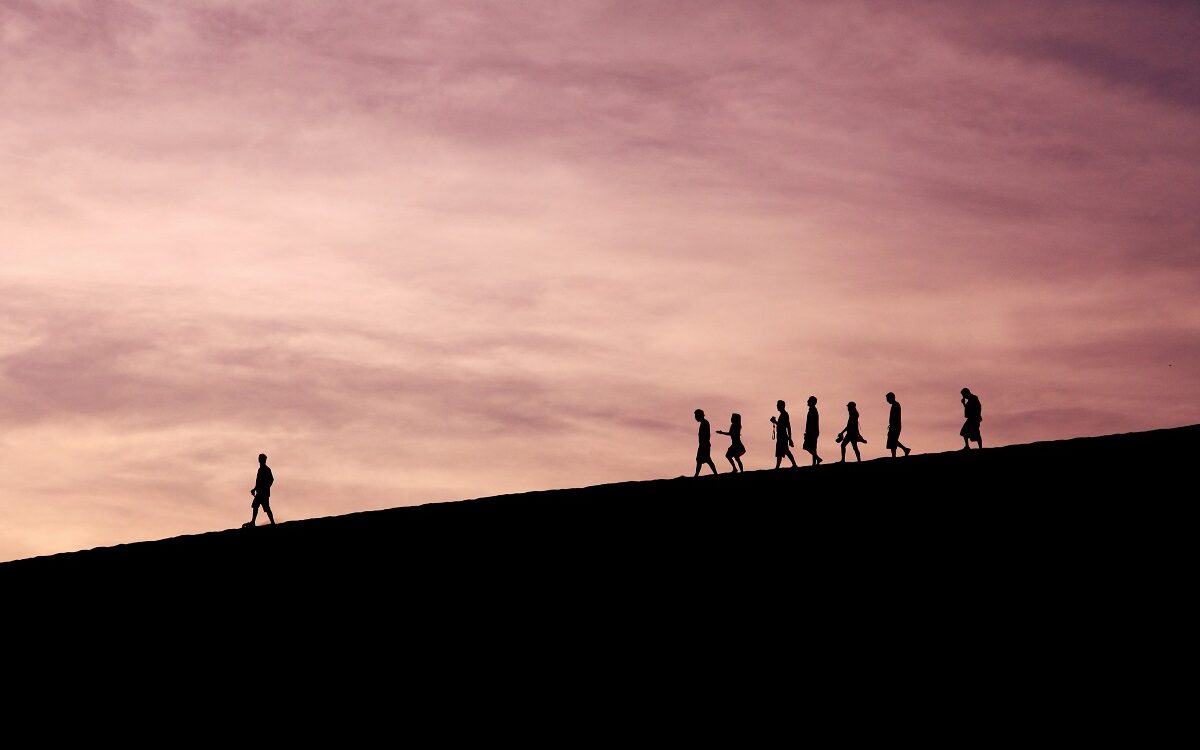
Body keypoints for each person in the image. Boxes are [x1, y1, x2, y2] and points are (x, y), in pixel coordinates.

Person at [245, 453, 276, 527]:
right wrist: (255, 489)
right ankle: (253, 522)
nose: (259, 460)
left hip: (264, 493)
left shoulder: (266, 469)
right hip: (260, 492)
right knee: (255, 506)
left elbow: (271, 479)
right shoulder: (260, 469)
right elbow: (258, 482)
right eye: (259, 459)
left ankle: (272, 522)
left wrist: (266, 487)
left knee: (266, 508)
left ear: (263, 460)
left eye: (261, 459)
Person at [770, 400, 799, 469]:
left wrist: (790, 438)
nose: (777, 406)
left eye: (778, 405)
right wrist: (775, 422)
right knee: (781, 451)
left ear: (781, 406)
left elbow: (787, 426)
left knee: (784, 451)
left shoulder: (785, 414)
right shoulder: (783, 414)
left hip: (783, 436)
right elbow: (783, 425)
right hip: (781, 436)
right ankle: (778, 466)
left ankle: (793, 465)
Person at [885, 392, 911, 458]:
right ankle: (903, 450)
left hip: (895, 426)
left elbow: (896, 417)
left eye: (888, 399)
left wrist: (893, 425)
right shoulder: (895, 405)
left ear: (892, 398)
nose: (887, 400)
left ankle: (904, 450)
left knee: (893, 441)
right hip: (894, 426)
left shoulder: (896, 405)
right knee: (892, 441)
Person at [694, 409, 718, 476]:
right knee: (701, 459)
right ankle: (696, 474)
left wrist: (703, 444)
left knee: (705, 459)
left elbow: (707, 435)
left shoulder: (705, 423)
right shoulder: (704, 423)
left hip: (704, 445)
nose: (695, 418)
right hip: (703, 444)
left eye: (696, 416)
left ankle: (697, 475)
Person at [803, 396, 822, 466]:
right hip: (813, 431)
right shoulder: (812, 410)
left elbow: (811, 423)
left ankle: (817, 458)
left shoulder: (813, 410)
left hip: (812, 432)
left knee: (807, 446)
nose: (807, 401)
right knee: (813, 447)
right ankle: (814, 462)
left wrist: (808, 432)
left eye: (809, 400)